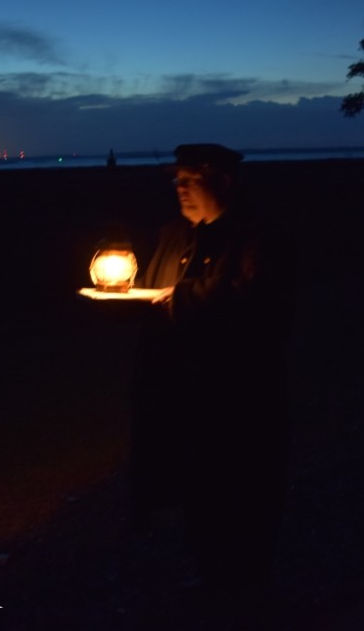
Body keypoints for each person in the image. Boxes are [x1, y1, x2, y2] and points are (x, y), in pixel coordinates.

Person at [129, 143, 295, 593]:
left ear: (222, 181)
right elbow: (150, 294)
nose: (179, 188)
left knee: (244, 487)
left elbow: (258, 303)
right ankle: (210, 577)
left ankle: (248, 586)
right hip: (183, 389)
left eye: (190, 179)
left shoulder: (256, 238)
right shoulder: (175, 236)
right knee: (197, 486)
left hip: (241, 393)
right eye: (176, 180)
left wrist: (180, 299)